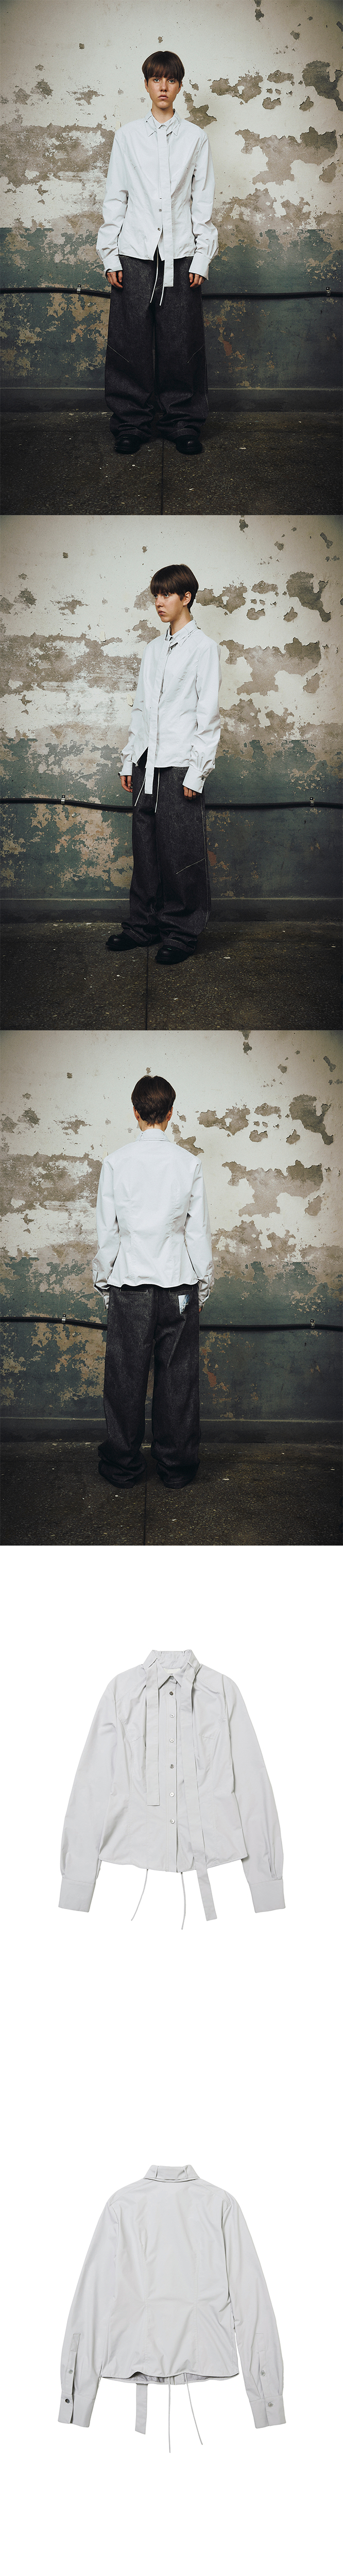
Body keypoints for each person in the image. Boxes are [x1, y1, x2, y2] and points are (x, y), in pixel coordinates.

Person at [93, 1072, 214, 1490]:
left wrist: (105, 1284)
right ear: (171, 1113)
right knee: (178, 1381)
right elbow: (197, 1232)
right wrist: (203, 1285)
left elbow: (108, 1232)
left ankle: (123, 1467)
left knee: (124, 1381)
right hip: (179, 1285)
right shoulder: (188, 1163)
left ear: (136, 1113)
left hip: (130, 1286)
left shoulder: (116, 1162)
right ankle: (177, 1469)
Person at [96, 47, 218, 455]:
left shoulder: (196, 138)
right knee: (129, 343)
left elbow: (202, 202)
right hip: (134, 253)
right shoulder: (128, 136)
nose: (163, 86)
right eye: (156, 79)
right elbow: (116, 197)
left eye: (171, 79)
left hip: (180, 254)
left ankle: (182, 421)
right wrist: (110, 254)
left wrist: (201, 256)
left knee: (181, 343)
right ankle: (131, 422)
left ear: (180, 86)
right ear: (147, 85)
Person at [107, 561, 221, 966]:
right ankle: (143, 927)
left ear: (186, 597)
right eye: (156, 594)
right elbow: (141, 708)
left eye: (166, 594)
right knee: (146, 850)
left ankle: (182, 933)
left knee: (180, 853)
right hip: (146, 763)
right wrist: (129, 759)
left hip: (179, 765)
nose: (159, 601)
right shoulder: (153, 650)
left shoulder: (204, 648)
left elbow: (208, 716)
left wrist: (197, 772)